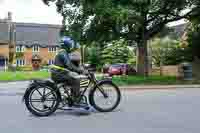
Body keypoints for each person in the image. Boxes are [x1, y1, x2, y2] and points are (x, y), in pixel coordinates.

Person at [50, 36, 88, 108]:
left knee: (73, 77)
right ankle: (76, 100)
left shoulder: (62, 52)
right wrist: (80, 70)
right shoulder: (63, 53)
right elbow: (69, 65)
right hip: (59, 74)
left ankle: (71, 97)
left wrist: (77, 69)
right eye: (70, 44)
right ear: (67, 45)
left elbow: (69, 65)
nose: (71, 45)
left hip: (58, 73)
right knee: (76, 80)